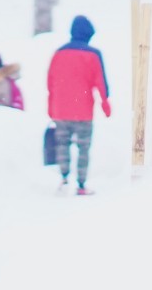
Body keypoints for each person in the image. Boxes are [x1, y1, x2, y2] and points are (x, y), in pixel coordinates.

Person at [46, 15, 110, 195]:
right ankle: (81, 184)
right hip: (83, 111)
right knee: (83, 147)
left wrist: (51, 107)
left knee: (62, 144)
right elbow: (101, 82)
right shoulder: (93, 54)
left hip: (61, 109)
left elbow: (50, 83)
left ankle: (64, 178)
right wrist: (105, 103)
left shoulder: (58, 53)